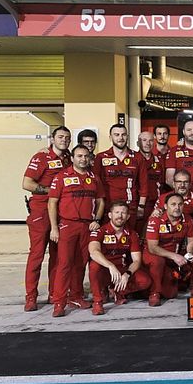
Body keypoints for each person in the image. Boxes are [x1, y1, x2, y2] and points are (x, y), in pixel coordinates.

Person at [47, 144, 104, 317]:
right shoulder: (62, 176)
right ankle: (59, 302)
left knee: (81, 264)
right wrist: (54, 228)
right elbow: (52, 203)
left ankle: (77, 296)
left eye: (86, 156)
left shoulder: (94, 177)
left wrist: (97, 220)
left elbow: (101, 201)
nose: (83, 159)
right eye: (79, 156)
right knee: (64, 264)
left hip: (87, 226)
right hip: (67, 225)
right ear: (72, 158)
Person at [21, 125, 71, 311]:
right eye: (60, 137)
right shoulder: (41, 157)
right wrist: (51, 192)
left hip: (61, 212)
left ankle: (54, 293)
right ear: (52, 138)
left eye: (67, 137)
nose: (64, 140)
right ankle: (31, 297)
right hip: (41, 211)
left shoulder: (68, 159)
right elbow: (26, 183)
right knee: (37, 254)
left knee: (58, 256)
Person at [88, 201, 151, 314]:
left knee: (145, 280)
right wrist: (110, 265)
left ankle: (118, 291)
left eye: (123, 213)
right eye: (116, 212)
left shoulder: (132, 234)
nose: (120, 216)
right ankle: (98, 301)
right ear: (110, 215)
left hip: (121, 270)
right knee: (94, 266)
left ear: (127, 217)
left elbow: (137, 260)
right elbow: (93, 252)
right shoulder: (100, 231)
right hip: (105, 270)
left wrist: (127, 274)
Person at [142, 192, 193, 306]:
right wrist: (174, 256)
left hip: (172, 259)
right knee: (158, 261)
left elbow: (192, 240)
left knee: (171, 294)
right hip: (153, 256)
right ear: (166, 206)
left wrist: (190, 252)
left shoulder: (187, 220)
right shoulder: (155, 219)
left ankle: (147, 289)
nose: (177, 207)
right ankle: (154, 293)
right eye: (173, 204)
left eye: (180, 204)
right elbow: (152, 248)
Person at [95, 123, 148, 227]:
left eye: (123, 135)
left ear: (127, 137)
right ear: (111, 137)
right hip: (108, 208)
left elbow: (144, 184)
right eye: (117, 135)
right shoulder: (100, 157)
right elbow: (96, 184)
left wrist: (141, 206)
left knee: (130, 239)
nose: (120, 138)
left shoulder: (137, 157)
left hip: (130, 208)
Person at [137, 131, 165, 235]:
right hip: (139, 205)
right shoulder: (133, 160)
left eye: (151, 140)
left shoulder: (159, 160)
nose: (148, 143)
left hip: (156, 205)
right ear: (138, 143)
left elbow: (162, 184)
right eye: (144, 140)